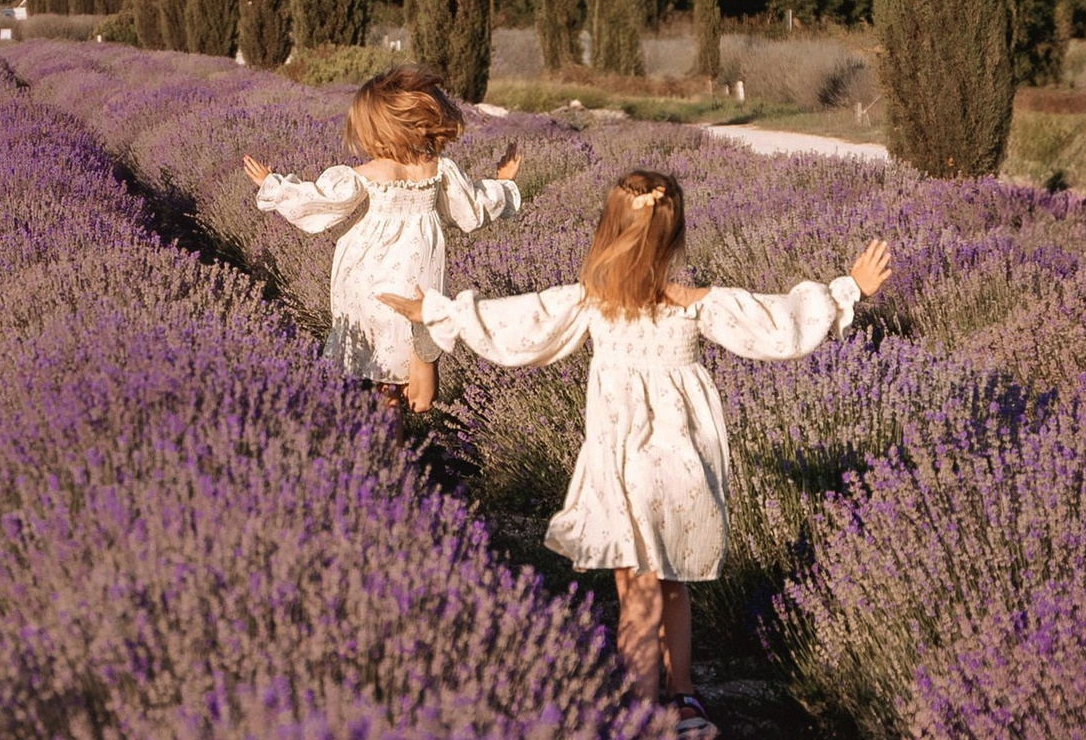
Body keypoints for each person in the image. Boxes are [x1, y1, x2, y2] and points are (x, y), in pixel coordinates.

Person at [381, 166, 890, 710]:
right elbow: (775, 324)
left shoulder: (591, 303)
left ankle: (642, 711)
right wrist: (846, 292)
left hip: (622, 468)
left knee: (636, 593)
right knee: (671, 585)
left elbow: (519, 326)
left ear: (608, 231)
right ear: (674, 237)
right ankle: (683, 694)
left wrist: (435, 312)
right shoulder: (698, 303)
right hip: (685, 466)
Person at [244, 65, 523, 417]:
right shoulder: (438, 169)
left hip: (368, 280)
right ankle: (418, 371)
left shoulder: (368, 174)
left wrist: (274, 185)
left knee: (382, 374)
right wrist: (504, 183)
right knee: (411, 361)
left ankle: (383, 435)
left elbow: (319, 203)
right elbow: (470, 210)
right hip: (419, 277)